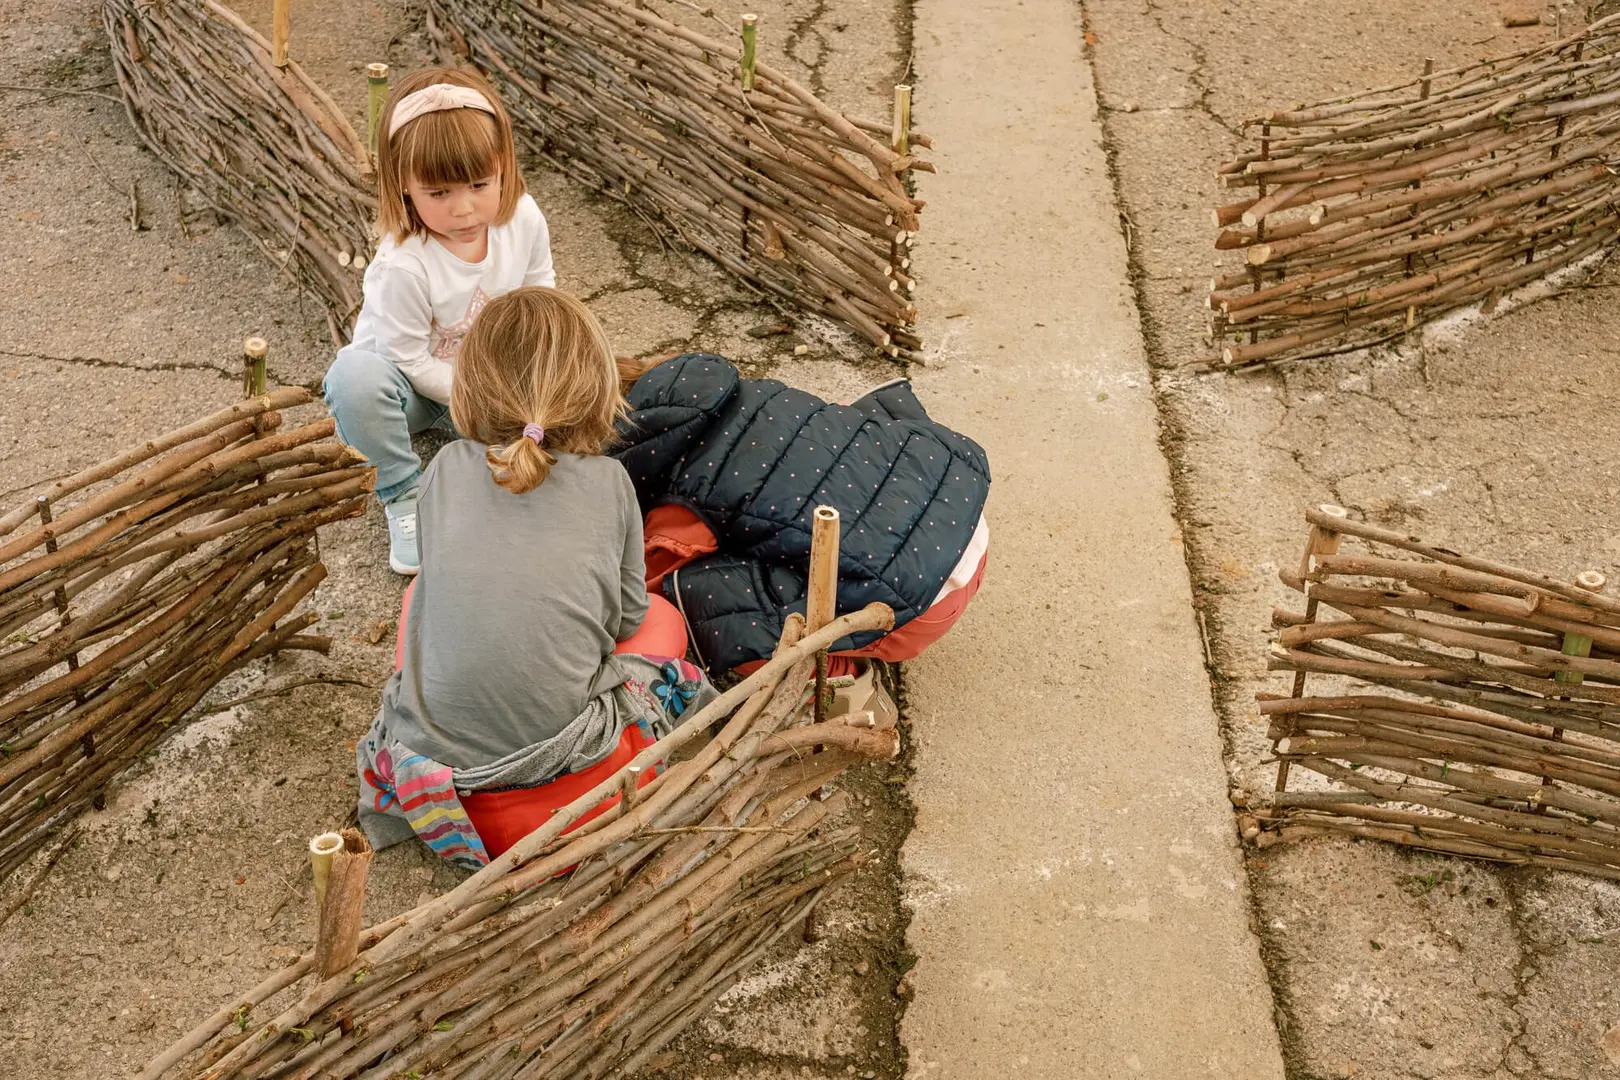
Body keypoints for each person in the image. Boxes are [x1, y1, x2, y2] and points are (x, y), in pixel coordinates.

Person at [355, 288, 712, 867]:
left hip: (437, 771)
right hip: (568, 775)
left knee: (422, 595)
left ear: (467, 389)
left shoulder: (443, 468)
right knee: (664, 622)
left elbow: (443, 573)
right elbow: (624, 617)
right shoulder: (611, 482)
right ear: (597, 390)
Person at [323, 65, 556, 575]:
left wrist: (531, 381)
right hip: (404, 390)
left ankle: (480, 446)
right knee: (354, 382)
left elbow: (541, 299)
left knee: (554, 447)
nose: (464, 208)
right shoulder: (405, 263)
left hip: (481, 380)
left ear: (503, 166)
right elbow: (406, 356)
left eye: (479, 183)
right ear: (404, 187)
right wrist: (482, 399)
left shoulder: (523, 219)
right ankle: (402, 492)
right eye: (439, 192)